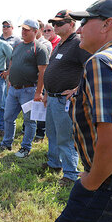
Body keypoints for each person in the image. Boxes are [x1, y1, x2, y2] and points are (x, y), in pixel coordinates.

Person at [44, 0, 112, 222]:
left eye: (85, 20)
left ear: (107, 24)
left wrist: (90, 182)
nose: (80, 27)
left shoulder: (103, 61)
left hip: (110, 184)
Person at [42, 10, 91, 187]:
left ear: (72, 24)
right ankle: (54, 163)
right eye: (53, 24)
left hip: (65, 101)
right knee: (52, 133)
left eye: (59, 23)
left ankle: (70, 174)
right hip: (53, 98)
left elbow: (91, 67)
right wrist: (46, 93)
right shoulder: (60, 45)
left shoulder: (78, 43)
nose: (55, 26)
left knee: (65, 137)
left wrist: (78, 89)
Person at [0, 19, 49, 158]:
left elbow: (43, 72)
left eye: (27, 29)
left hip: (29, 90)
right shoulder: (18, 45)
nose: (23, 32)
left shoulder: (39, 48)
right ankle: (7, 143)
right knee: (8, 117)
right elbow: (12, 62)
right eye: (22, 29)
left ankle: (25, 147)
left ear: (35, 31)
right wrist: (10, 76)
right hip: (14, 89)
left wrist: (39, 92)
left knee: (29, 121)